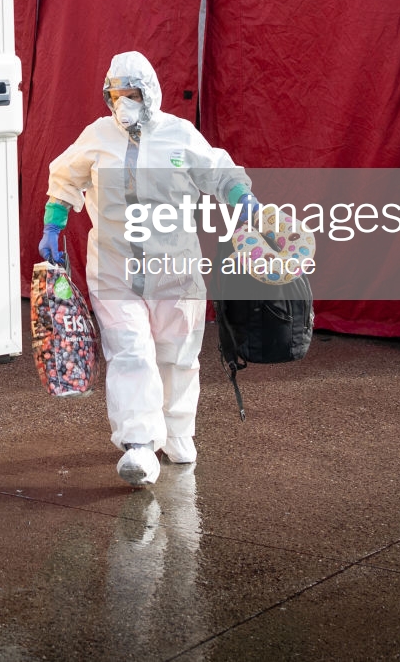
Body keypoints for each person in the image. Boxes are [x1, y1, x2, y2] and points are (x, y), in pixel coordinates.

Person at [40, 52, 252, 487]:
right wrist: (52, 225)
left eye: (132, 93)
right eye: (115, 94)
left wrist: (242, 200)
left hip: (177, 272)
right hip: (116, 270)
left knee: (178, 358)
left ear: (149, 94)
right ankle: (139, 444)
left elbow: (219, 172)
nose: (123, 103)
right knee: (132, 353)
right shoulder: (98, 136)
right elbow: (65, 177)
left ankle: (178, 433)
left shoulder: (179, 136)